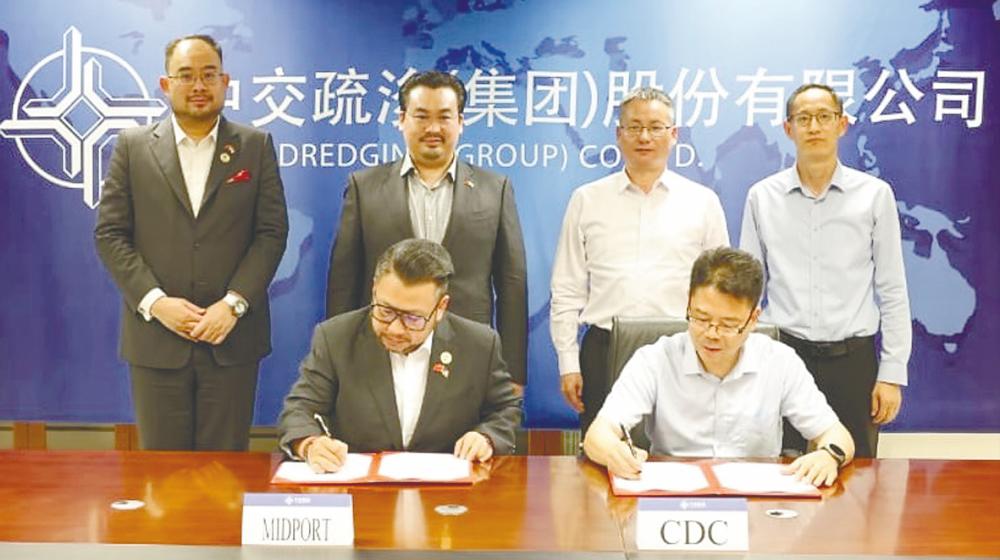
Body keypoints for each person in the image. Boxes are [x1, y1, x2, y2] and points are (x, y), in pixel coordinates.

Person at [94, 35, 288, 450]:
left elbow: (271, 234)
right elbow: (110, 234)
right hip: (157, 340)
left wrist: (233, 304)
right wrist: (155, 302)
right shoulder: (133, 147)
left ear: (225, 81)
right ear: (166, 85)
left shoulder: (255, 146)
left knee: (224, 472)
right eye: (186, 76)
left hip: (231, 338)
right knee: (161, 475)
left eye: (208, 75)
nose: (198, 85)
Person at [584, 247, 855, 487]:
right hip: (674, 503)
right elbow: (599, 434)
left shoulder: (780, 361)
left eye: (727, 325)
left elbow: (836, 435)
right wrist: (613, 453)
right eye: (701, 318)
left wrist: (828, 455)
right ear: (688, 303)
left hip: (756, 504)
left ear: (753, 319)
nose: (711, 334)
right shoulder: (655, 359)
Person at [326, 70, 528, 391]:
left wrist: (513, 371)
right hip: (383, 350)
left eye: (444, 117)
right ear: (402, 120)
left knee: (467, 442)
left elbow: (512, 284)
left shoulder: (495, 189)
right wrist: (338, 358)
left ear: (460, 122)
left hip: (469, 354)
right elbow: (344, 282)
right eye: (421, 116)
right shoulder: (364, 188)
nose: (433, 128)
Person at [739, 83, 911, 458]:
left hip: (854, 363)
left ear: (842, 124)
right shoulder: (762, 197)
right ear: (788, 129)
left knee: (857, 480)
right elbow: (746, 292)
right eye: (803, 118)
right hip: (783, 357)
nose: (814, 126)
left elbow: (893, 289)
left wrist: (892, 373)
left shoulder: (874, 195)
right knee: (781, 472)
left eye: (824, 117)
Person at [550, 86, 729, 434]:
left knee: (678, 455)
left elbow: (720, 291)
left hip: (680, 349)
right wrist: (569, 362)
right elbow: (567, 288)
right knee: (604, 456)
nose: (644, 136)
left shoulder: (702, 202)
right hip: (605, 349)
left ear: (674, 135)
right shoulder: (587, 200)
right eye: (634, 127)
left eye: (656, 127)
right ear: (619, 135)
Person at [280, 239, 521, 473]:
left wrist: (486, 437)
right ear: (375, 290)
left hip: (449, 498)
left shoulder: (478, 344)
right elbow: (300, 408)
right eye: (385, 311)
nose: (394, 328)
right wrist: (309, 444)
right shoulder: (336, 338)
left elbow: (504, 409)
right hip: (362, 493)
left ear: (440, 308)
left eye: (413, 318)